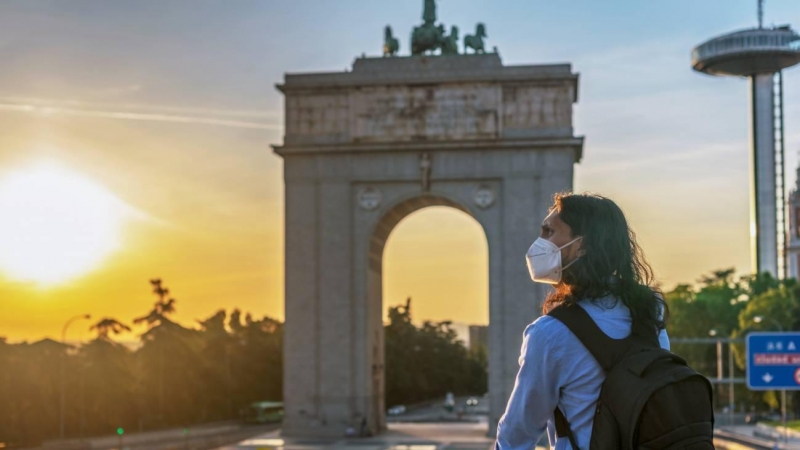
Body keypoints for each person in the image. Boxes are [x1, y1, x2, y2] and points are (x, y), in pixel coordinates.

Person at [495, 193, 670, 450]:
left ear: (581, 246)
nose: (539, 242)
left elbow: (517, 433)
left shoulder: (550, 333)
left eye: (549, 231)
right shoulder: (649, 312)